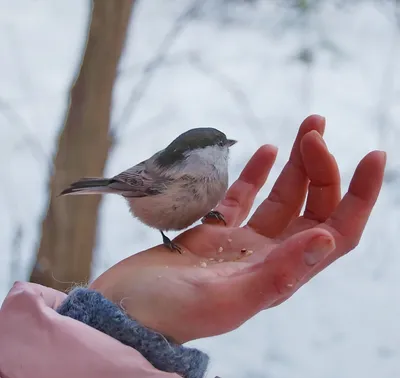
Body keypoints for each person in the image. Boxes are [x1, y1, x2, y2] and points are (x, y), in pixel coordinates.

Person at [0, 115, 386, 378]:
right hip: (150, 201)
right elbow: (144, 189)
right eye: (220, 145)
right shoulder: (181, 171)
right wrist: (166, 238)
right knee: (173, 216)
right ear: (205, 152)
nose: (226, 148)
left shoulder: (215, 176)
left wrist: (210, 217)